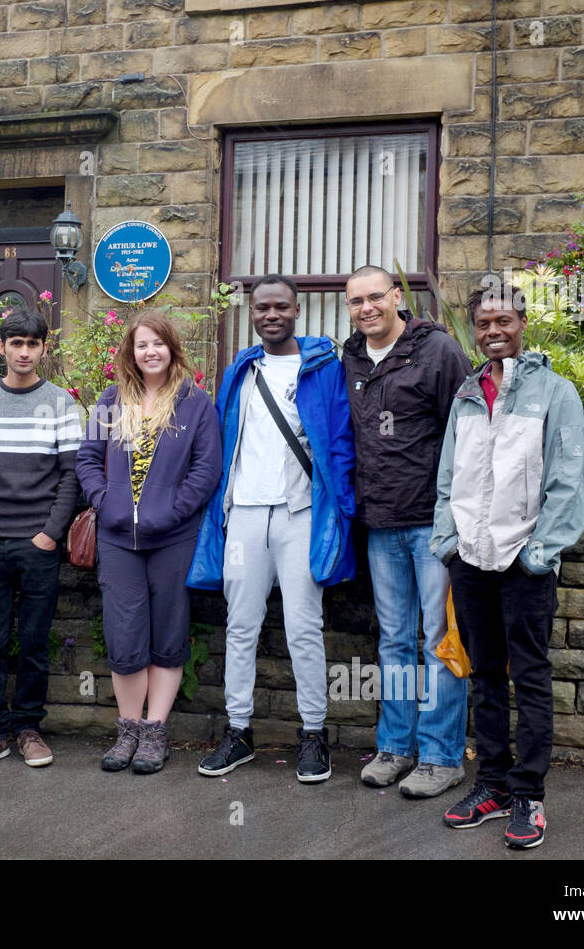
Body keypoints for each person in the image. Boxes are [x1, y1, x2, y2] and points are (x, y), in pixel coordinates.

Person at [432, 285, 584, 849]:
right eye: (483, 322)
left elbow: (567, 482)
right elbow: (448, 476)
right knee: (485, 675)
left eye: (503, 319)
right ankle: (492, 785)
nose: (493, 330)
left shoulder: (556, 393)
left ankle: (529, 795)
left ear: (523, 322)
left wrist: (539, 553)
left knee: (531, 675)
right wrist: (448, 542)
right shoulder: (467, 395)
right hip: (470, 559)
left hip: (525, 561)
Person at [188, 274, 357, 784]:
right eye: (262, 307)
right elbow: (222, 437)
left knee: (304, 626)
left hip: (300, 513)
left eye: (281, 306)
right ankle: (238, 731)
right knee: (240, 626)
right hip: (242, 515)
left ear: (297, 310)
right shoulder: (241, 368)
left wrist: (342, 506)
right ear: (252, 312)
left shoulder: (323, 366)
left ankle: (313, 734)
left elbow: (341, 438)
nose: (271, 315)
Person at [341, 266, 473, 798]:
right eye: (356, 301)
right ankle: (396, 748)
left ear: (398, 296)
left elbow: (466, 433)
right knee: (394, 640)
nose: (367, 308)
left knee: (437, 640)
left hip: (432, 525)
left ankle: (442, 757)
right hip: (379, 526)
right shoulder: (349, 357)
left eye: (376, 297)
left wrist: (457, 518)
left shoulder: (438, 352)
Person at [76, 311, 221, 773]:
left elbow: (206, 471)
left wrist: (172, 512)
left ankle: (156, 732)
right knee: (124, 636)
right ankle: (128, 730)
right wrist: (104, 501)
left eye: (158, 343)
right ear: (130, 351)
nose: (150, 352)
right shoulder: (110, 400)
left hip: (174, 538)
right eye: (142, 345)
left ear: (172, 347)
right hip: (118, 538)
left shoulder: (196, 404)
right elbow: (86, 459)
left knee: (169, 632)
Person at [0, 308, 81, 772]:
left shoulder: (62, 403)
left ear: (43, 348)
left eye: (33, 343)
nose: (24, 351)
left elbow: (71, 475)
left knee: (32, 642)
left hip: (38, 545)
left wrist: (50, 535)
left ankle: (29, 728)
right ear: (1, 347)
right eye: (16, 343)